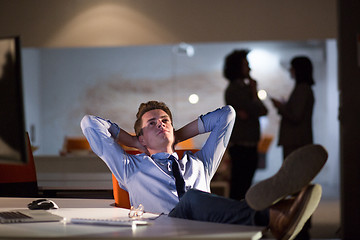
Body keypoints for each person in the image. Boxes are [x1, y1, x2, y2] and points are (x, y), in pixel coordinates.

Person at [81, 100, 327, 240]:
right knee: (192, 200)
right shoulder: (130, 167)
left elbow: (227, 115)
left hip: (207, 228)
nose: (161, 125)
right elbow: (89, 124)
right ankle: (270, 214)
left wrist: (176, 137)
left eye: (165, 121)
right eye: (152, 124)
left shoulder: (200, 162)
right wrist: (133, 142)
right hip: (163, 232)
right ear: (142, 137)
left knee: (206, 202)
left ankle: (277, 210)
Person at [270, 56, 316, 240]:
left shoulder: (303, 89)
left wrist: (281, 107)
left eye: (292, 68)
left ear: (298, 70)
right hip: (297, 141)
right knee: (297, 183)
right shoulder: (304, 89)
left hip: (296, 143)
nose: (290, 71)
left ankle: (300, 222)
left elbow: (295, 116)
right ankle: (300, 222)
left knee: (297, 184)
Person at [223, 49, 268, 200]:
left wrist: (253, 96)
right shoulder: (234, 90)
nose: (249, 68)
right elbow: (256, 109)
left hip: (250, 143)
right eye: (245, 65)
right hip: (241, 145)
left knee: (245, 184)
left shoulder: (245, 88)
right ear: (237, 67)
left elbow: (262, 110)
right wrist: (254, 95)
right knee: (239, 186)